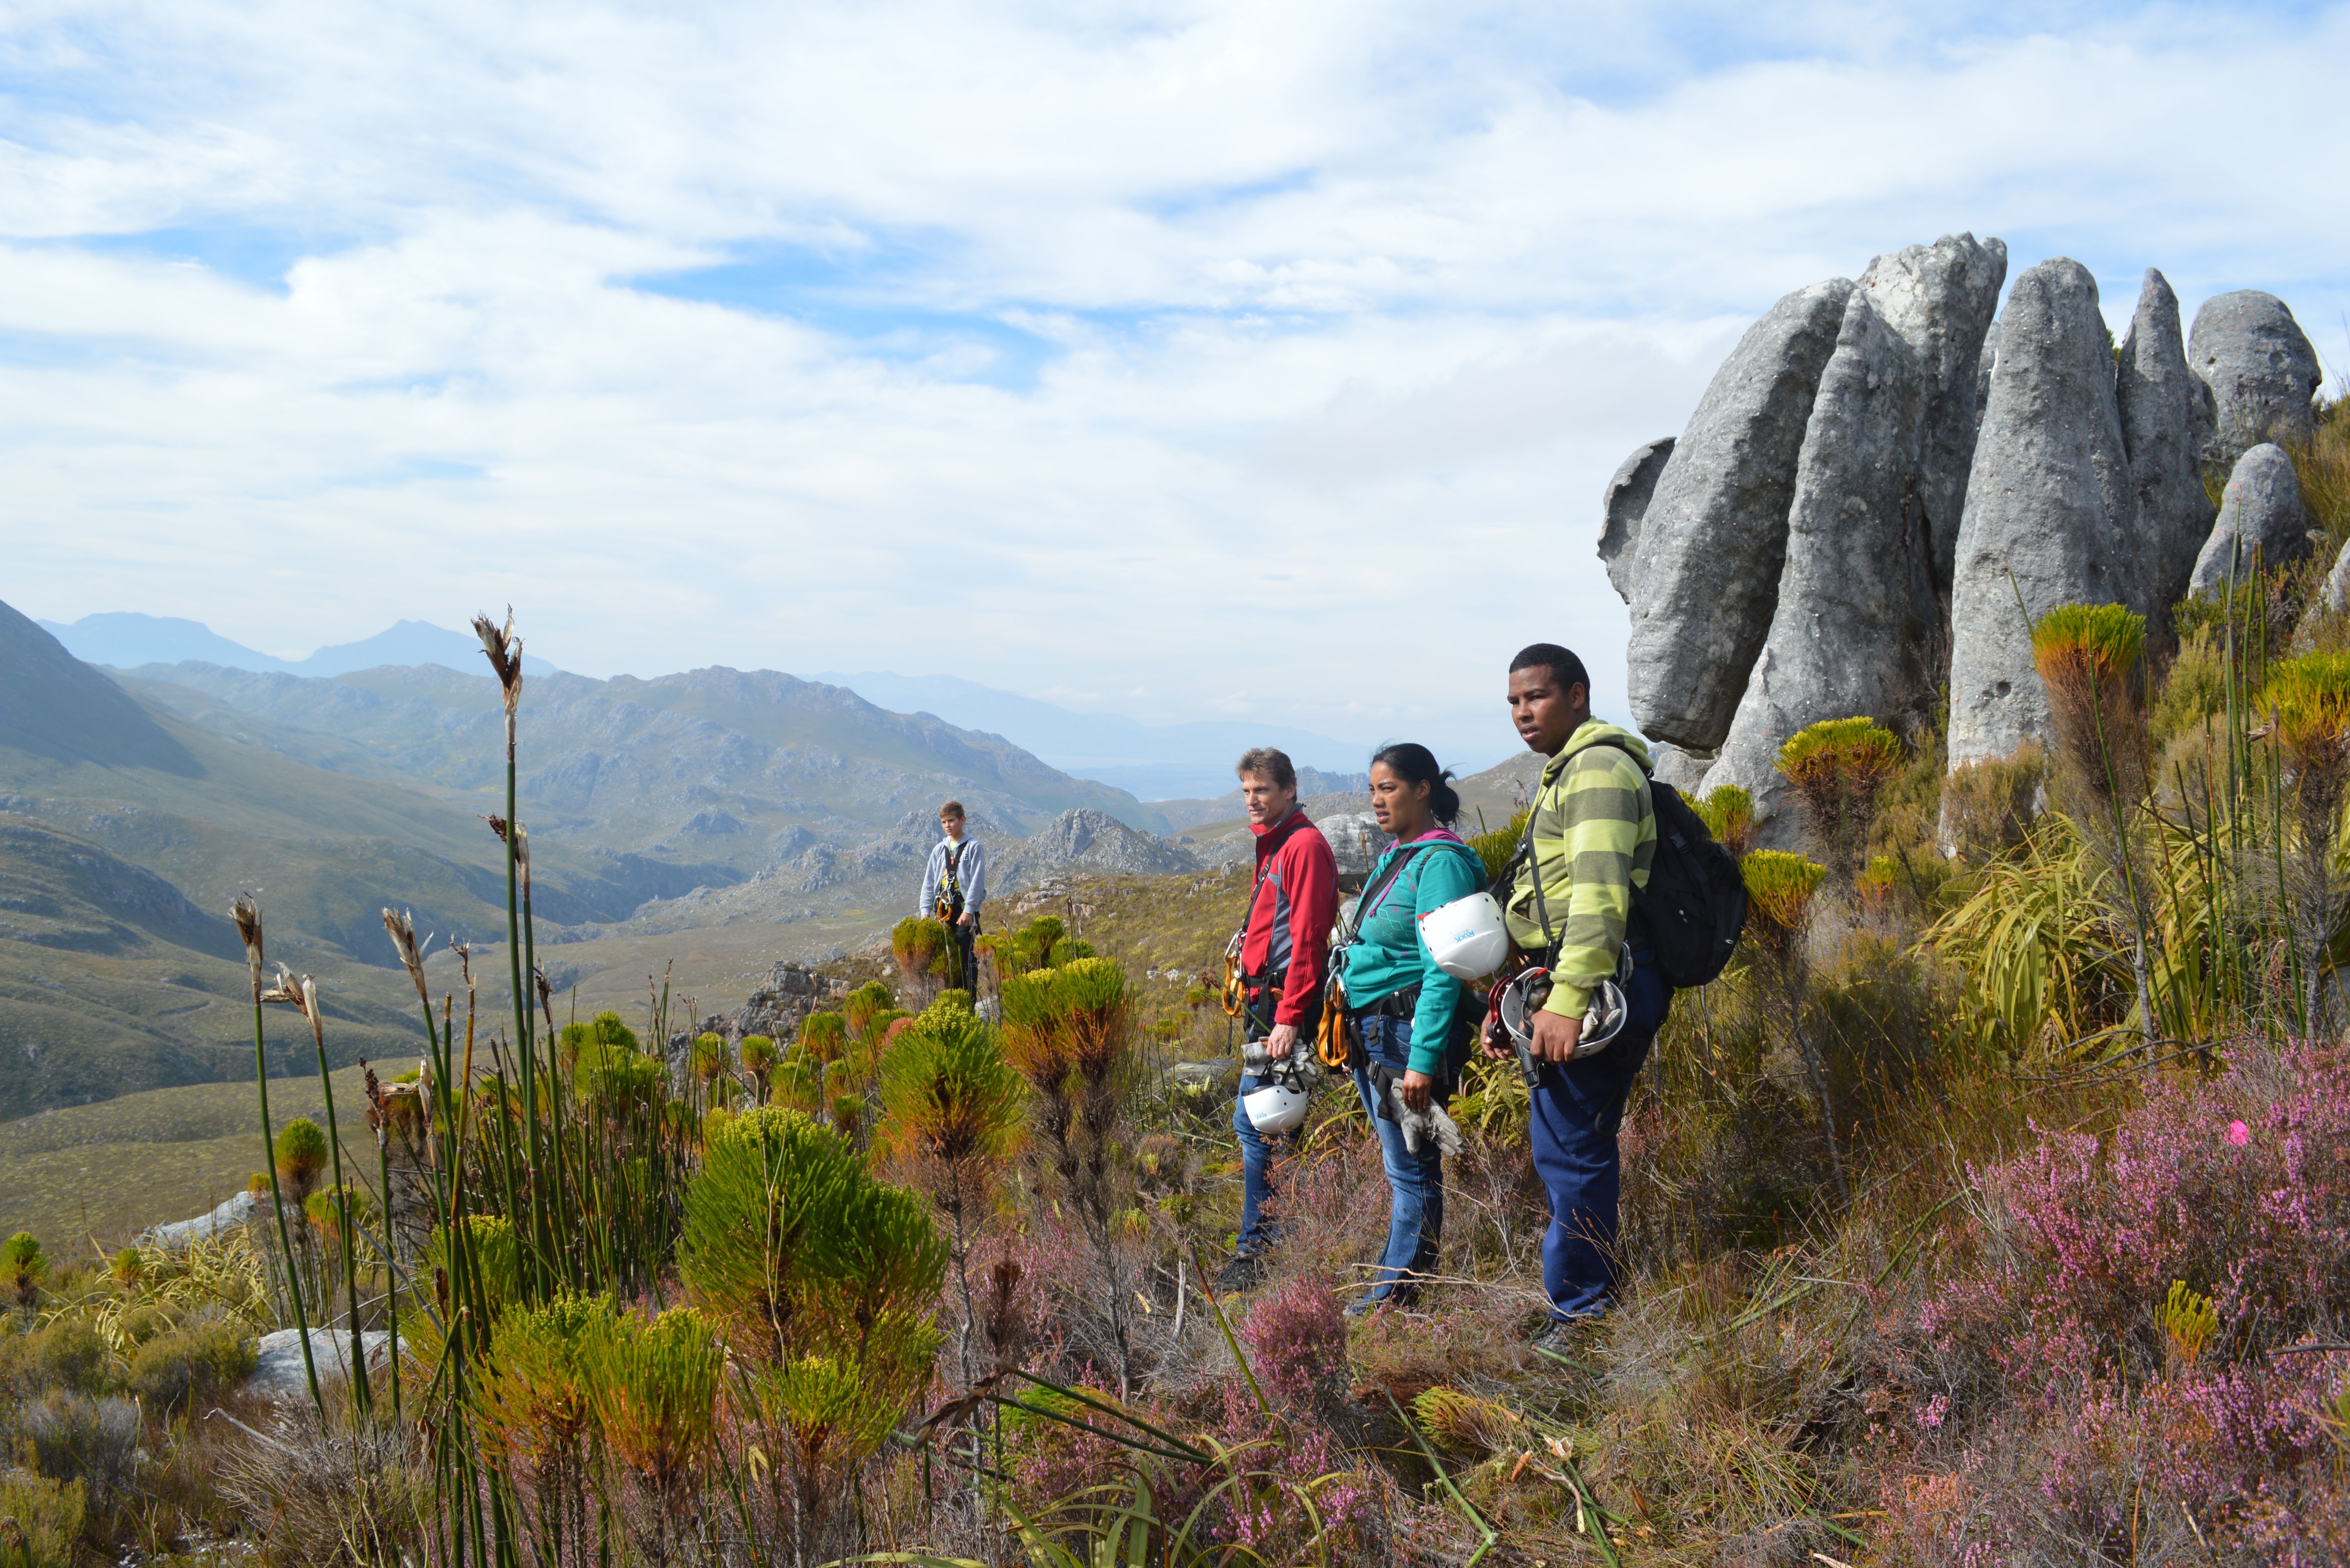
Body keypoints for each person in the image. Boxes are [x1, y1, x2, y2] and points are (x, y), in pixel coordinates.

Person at [1488, 643, 1669, 1346]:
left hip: (1597, 987)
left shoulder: (1594, 770)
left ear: (1576, 695)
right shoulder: (1569, 769)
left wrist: (1566, 1002)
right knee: (1566, 1145)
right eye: (1513, 701)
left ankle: (1584, 1311)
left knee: (1572, 1149)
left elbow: (1597, 898)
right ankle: (1579, 1296)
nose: (1522, 712)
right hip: (1574, 979)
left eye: (1535, 696)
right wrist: (1518, 1000)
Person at [1337, 743, 1485, 1314]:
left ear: (1423, 789)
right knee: (1401, 1166)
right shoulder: (1400, 855)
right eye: (1373, 790)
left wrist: (1422, 1061)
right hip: (1377, 1029)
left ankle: (1395, 1300)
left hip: (1404, 1033)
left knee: (1411, 1170)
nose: (1377, 801)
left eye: (1389, 788)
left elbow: (1443, 968)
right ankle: (1397, 1287)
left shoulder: (1439, 864)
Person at [1220, 746, 1338, 1291]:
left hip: (1283, 1008)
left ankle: (1257, 1248)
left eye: (1262, 790)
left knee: (1257, 1123)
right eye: (1246, 790)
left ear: (1290, 790)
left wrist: (1289, 1017)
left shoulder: (1303, 846)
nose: (1252, 800)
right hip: (1267, 1004)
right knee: (1275, 1125)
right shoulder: (1273, 842)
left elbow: (1310, 938)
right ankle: (1282, 1233)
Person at [917, 800, 986, 991]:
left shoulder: (973, 847)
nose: (948, 825)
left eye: (952, 821)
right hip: (943, 911)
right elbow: (929, 881)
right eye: (944, 822)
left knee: (967, 959)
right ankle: (953, 998)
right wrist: (925, 912)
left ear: (963, 820)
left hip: (964, 911)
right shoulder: (940, 850)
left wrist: (969, 911)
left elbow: (977, 882)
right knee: (948, 960)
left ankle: (968, 1000)